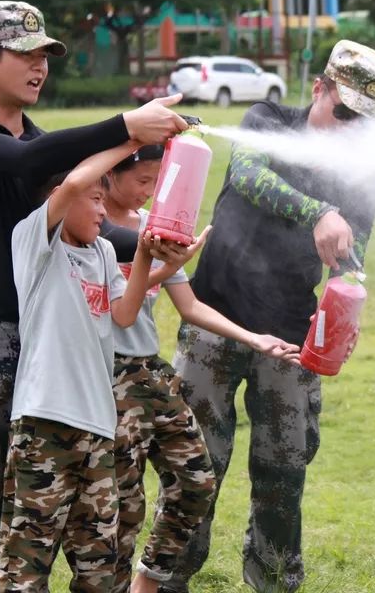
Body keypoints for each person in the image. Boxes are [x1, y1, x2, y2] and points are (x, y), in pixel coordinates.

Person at [0, 0, 188, 593]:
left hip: (48, 351)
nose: (40, 67)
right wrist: (125, 128)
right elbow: (28, 161)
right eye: (26, 55)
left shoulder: (38, 143)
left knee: (21, 516)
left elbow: (88, 221)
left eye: (45, 56)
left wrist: (153, 244)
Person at [167, 40, 375, 593]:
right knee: (195, 466)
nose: (347, 129)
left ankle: (274, 580)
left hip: (291, 335)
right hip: (212, 318)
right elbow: (246, 174)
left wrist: (347, 301)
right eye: (341, 111)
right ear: (318, 89)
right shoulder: (265, 119)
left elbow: (353, 259)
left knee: (283, 472)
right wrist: (319, 211)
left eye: (361, 122)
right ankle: (167, 577)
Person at [99, 145, 299, 593]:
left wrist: (253, 337)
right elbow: (116, 311)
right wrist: (157, 262)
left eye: (158, 182)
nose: (148, 192)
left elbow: (189, 305)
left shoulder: (153, 227)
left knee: (196, 480)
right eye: (142, 181)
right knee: (123, 501)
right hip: (102, 376)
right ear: (110, 173)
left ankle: (147, 582)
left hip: (148, 372)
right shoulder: (86, 228)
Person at [0, 141, 155, 590]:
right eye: (97, 199)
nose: (104, 211)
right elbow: (74, 182)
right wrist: (132, 139)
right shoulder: (34, 241)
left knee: (101, 567)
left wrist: (144, 252)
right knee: (25, 566)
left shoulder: (103, 253)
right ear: (59, 200)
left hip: (98, 429)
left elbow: (123, 314)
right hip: (44, 425)